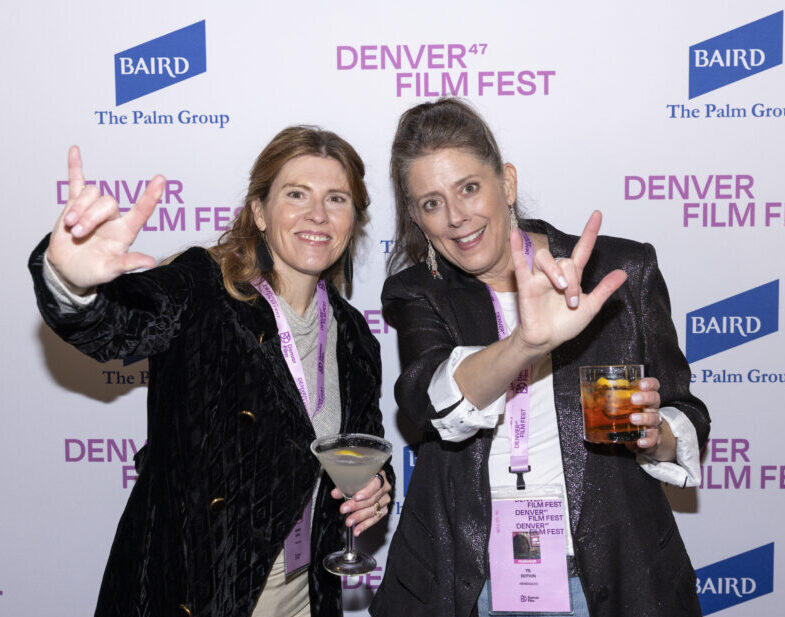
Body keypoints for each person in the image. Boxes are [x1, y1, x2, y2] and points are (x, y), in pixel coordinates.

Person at [28, 127, 393, 617]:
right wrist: (71, 283)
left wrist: (377, 486)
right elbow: (114, 329)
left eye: (337, 198)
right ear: (260, 213)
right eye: (296, 194)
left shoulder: (354, 335)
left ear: (353, 220)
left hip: (305, 596)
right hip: (196, 591)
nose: (318, 214)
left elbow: (360, 447)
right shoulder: (202, 288)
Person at [369, 99, 709, 617]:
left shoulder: (618, 271)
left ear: (506, 183)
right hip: (471, 581)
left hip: (610, 573)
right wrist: (527, 342)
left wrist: (655, 434)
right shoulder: (419, 292)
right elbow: (431, 399)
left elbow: (687, 411)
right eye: (431, 203)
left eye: (468, 187)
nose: (457, 217)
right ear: (417, 216)